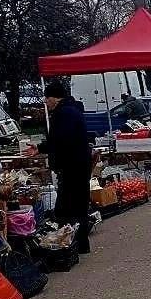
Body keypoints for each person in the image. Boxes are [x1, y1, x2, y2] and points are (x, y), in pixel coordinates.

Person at [35, 82, 92, 254]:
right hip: (79, 165)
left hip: (71, 167)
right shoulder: (73, 110)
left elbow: (61, 140)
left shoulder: (64, 113)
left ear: (54, 97)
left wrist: (41, 148)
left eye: (47, 98)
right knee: (78, 205)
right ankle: (81, 244)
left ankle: (69, 244)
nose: (45, 102)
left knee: (66, 208)